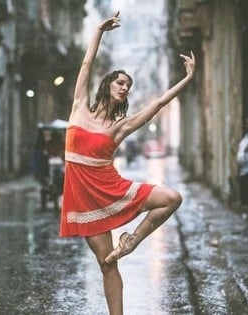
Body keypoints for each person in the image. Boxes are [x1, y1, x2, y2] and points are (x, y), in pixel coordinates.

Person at [58, 12, 195, 315]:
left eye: (128, 86)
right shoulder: (79, 105)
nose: (124, 87)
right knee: (107, 265)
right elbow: (86, 65)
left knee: (172, 197)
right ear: (107, 84)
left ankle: (131, 241)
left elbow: (157, 104)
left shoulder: (119, 127)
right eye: (120, 82)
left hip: (111, 188)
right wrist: (98, 31)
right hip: (85, 200)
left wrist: (187, 79)